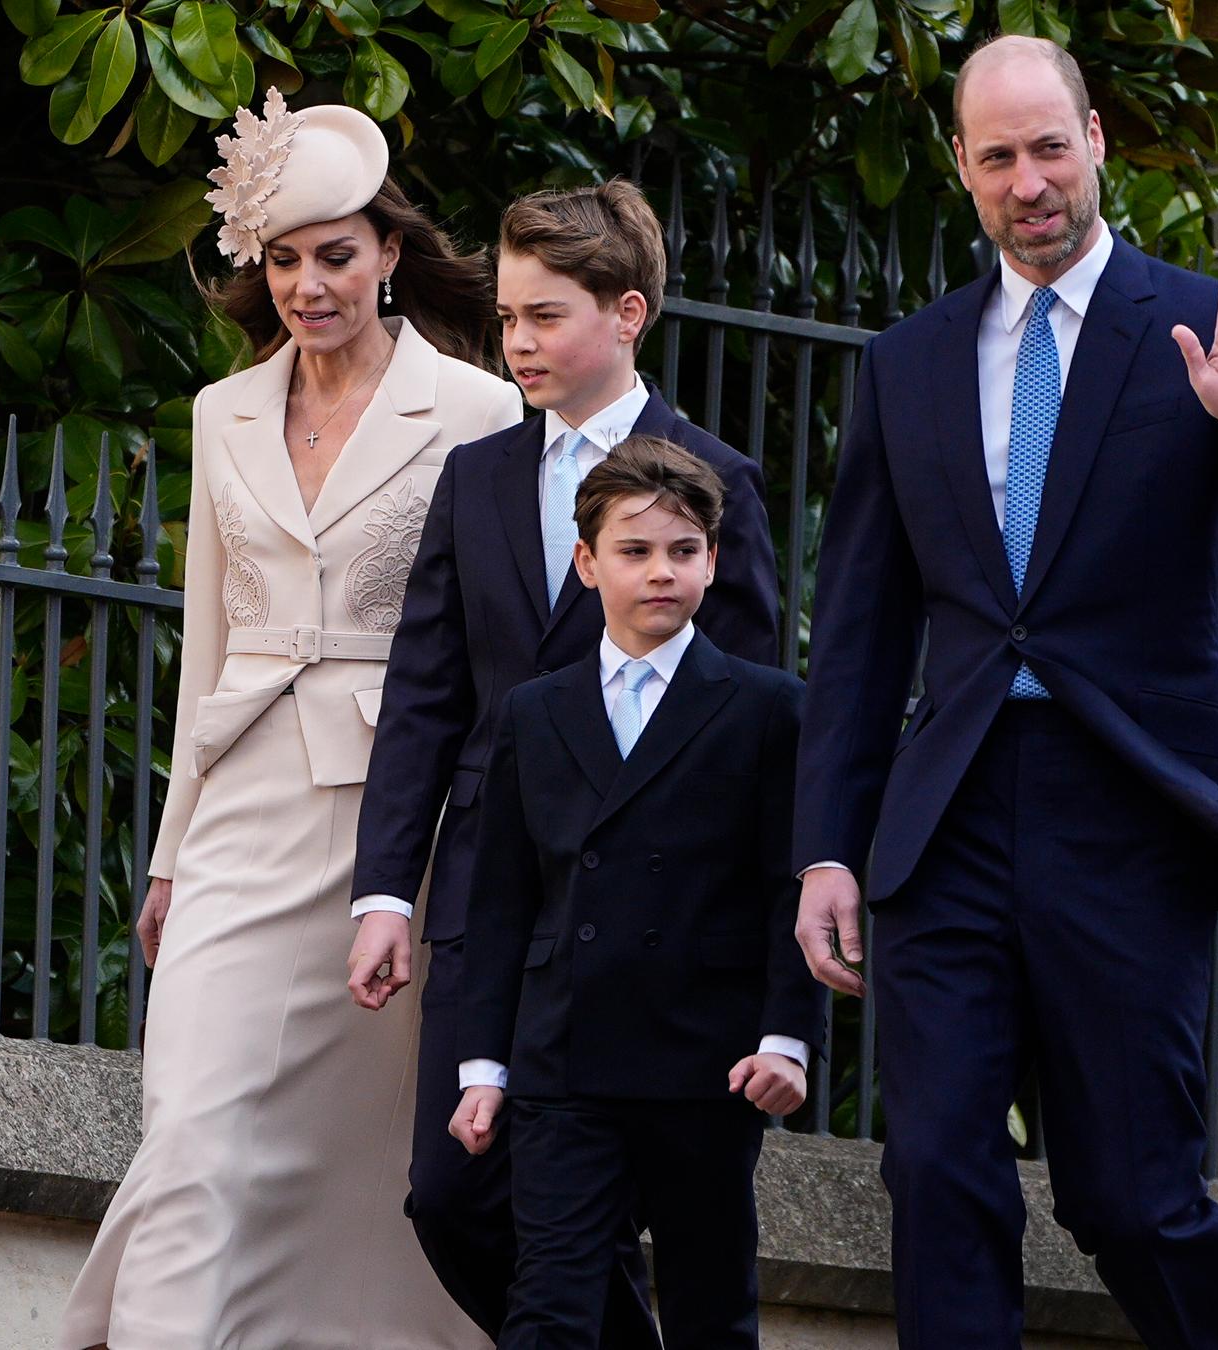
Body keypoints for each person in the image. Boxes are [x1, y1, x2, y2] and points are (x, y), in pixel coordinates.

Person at [790, 35, 1218, 1349]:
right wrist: (828, 843)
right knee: (934, 1166)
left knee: (1131, 1193)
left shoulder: (1202, 327)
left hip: (1131, 814)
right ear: (962, 170)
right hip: (950, 823)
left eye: (1050, 146)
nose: (1029, 180)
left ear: (1097, 137)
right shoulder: (909, 363)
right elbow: (864, 634)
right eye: (998, 157)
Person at [57, 90, 520, 1349]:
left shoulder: (478, 410)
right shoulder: (222, 414)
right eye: (282, 259)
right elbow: (208, 647)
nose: (308, 285)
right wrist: (166, 851)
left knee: (363, 1161)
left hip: (398, 826)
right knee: (194, 1119)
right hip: (241, 810)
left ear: (388, 253)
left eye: (335, 254)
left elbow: (494, 656)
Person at [346, 178, 780, 1346]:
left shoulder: (717, 484)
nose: (516, 342)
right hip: (493, 908)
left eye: (545, 316)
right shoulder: (477, 475)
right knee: (451, 1198)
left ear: (627, 313)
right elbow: (427, 695)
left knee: (638, 1222)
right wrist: (387, 888)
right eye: (507, 317)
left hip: (659, 927)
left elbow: (744, 725)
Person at [447, 437, 818, 1349]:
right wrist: (482, 1068)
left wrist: (788, 1039)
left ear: (714, 561)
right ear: (586, 562)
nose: (663, 572)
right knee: (549, 1306)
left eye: (684, 551)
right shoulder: (535, 711)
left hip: (709, 1061)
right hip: (565, 1056)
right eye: (636, 551)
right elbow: (499, 903)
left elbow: (795, 891)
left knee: (709, 1309)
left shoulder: (770, 707)